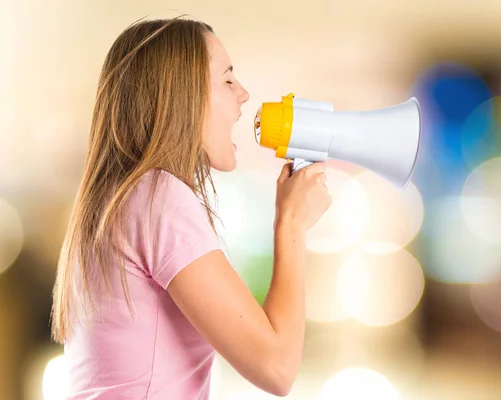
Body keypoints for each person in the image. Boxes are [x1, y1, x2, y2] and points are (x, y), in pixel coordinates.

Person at [51, 16, 332, 399]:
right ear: (183, 96)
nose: (244, 94)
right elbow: (276, 366)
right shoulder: (157, 198)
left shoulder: (120, 199)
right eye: (228, 79)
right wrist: (292, 225)